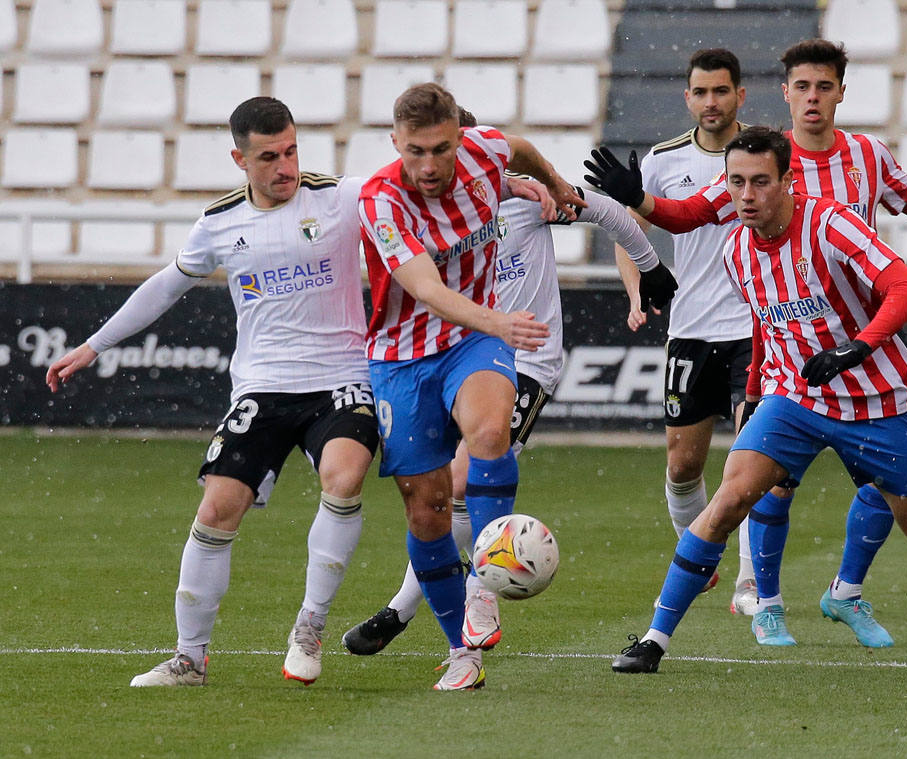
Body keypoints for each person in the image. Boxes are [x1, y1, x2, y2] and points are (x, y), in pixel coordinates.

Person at [587, 38, 907, 649]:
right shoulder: (746, 201)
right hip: (795, 382)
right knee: (734, 494)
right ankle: (678, 631)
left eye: (825, 86)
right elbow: (692, 218)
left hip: (868, 371)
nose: (814, 97)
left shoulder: (853, 177)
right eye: (803, 86)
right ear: (786, 93)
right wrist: (634, 199)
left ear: (840, 93)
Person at [44, 97, 382, 688]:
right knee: (216, 512)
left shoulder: (342, 196)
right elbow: (164, 288)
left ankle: (310, 624)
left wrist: (517, 182)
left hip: (341, 379)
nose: (286, 167)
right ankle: (190, 658)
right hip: (263, 388)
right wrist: (93, 345)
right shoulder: (220, 223)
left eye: (292, 151)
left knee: (344, 477)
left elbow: (426, 184)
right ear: (240, 159)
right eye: (270, 157)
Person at [358, 83, 676, 691]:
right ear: (397, 145)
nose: (434, 167)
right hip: (421, 351)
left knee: (472, 458)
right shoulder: (388, 202)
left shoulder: (507, 177)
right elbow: (423, 287)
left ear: (469, 150)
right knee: (428, 501)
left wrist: (645, 263)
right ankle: (429, 620)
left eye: (446, 152)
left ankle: (479, 587)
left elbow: (597, 203)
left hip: (516, 354)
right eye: (419, 153)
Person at [614, 48, 762, 616]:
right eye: (700, 92)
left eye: (721, 91)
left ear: (740, 96)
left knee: (751, 463)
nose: (710, 102)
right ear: (687, 98)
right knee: (682, 465)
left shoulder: (767, 153)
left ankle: (750, 584)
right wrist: (637, 289)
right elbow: (629, 232)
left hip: (757, 325)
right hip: (692, 329)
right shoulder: (660, 161)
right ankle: (697, 559)